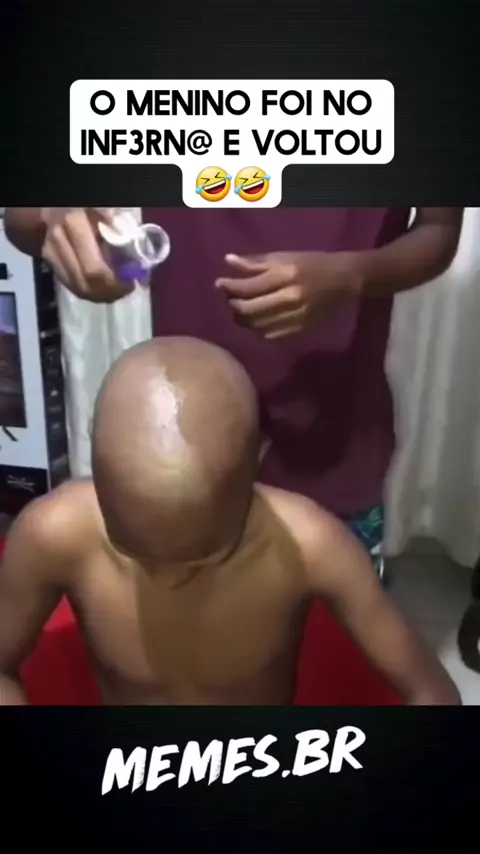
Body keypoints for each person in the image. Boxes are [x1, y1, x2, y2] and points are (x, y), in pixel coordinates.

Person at [4, 207, 463, 582]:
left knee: (333, 632)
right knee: (187, 632)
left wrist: (351, 276)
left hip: (335, 430)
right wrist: (57, 220)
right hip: (185, 442)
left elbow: (439, 231)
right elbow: (24, 217)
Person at [0, 337, 460, 706]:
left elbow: (432, 692)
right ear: (96, 464)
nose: (170, 579)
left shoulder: (312, 546)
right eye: (132, 551)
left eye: (205, 556)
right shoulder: (52, 534)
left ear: (258, 459)